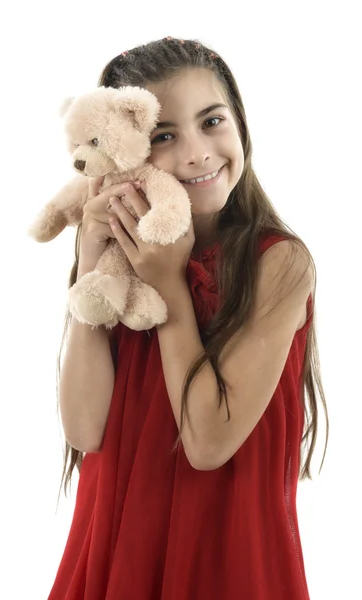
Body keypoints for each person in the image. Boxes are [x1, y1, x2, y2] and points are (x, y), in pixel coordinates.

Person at [48, 37, 329, 600]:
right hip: (118, 547)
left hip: (224, 558)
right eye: (164, 136)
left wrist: (170, 285)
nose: (198, 152)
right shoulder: (115, 264)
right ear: (126, 152)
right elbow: (83, 429)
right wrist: (87, 263)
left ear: (240, 123)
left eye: (213, 120)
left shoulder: (278, 264)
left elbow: (206, 443)